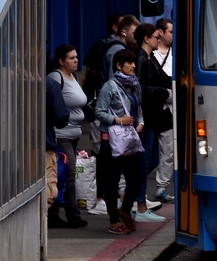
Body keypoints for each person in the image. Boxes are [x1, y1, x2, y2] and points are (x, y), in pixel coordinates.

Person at [95, 49, 146, 235]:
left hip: (131, 138)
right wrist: (119, 121)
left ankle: (125, 208)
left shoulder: (134, 85)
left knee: (139, 175)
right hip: (112, 140)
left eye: (134, 63)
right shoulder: (110, 86)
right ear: (118, 65)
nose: (133, 66)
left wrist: (140, 122)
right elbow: (98, 113)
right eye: (129, 63)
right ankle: (113, 221)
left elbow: (138, 108)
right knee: (112, 180)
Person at [48, 44, 89, 228]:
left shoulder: (73, 77)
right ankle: (72, 214)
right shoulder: (55, 77)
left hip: (74, 134)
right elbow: (54, 105)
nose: (76, 60)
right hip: (61, 134)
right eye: (71, 58)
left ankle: (54, 213)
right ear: (61, 61)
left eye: (76, 57)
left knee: (64, 174)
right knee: (69, 173)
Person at [132, 23, 169, 222]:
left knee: (153, 159)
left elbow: (161, 79)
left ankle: (135, 197)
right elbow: (141, 88)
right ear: (146, 38)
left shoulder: (150, 58)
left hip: (154, 116)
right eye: (155, 36)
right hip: (146, 117)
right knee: (145, 160)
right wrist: (164, 92)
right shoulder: (140, 59)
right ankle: (140, 205)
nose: (158, 38)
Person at [152, 18, 175, 205]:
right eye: (170, 32)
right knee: (150, 152)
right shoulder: (150, 56)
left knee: (169, 151)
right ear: (160, 32)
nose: (173, 36)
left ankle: (161, 188)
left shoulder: (176, 54)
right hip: (155, 108)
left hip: (170, 109)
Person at [44, 60, 70, 221]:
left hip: (14, 145)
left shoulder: (10, 81)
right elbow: (61, 116)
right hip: (44, 143)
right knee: (49, 186)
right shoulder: (49, 85)